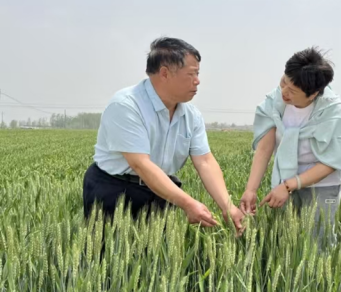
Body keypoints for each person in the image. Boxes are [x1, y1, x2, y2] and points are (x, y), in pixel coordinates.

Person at [83, 37, 245, 234]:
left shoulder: (191, 115)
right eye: (191, 74)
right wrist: (188, 203)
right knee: (109, 251)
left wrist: (227, 206)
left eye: (198, 73)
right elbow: (140, 164)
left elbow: (204, 161)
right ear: (165, 73)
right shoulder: (126, 105)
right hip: (115, 190)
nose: (197, 81)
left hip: (161, 191)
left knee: (157, 252)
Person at [240, 47, 341, 248]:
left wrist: (289, 186)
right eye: (284, 82)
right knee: (287, 244)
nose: (284, 92)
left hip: (322, 185)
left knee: (318, 244)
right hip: (285, 181)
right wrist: (251, 190)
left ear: (313, 94)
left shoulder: (331, 111)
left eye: (293, 91)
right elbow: (265, 149)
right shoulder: (275, 102)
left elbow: (333, 161)